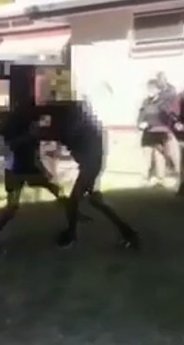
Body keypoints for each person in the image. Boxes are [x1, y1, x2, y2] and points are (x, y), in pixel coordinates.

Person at [0, 106, 90, 258]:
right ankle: (73, 220)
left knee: (12, 207)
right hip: (24, 171)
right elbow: (32, 156)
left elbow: (21, 150)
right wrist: (45, 172)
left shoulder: (15, 133)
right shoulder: (29, 134)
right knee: (58, 192)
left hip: (12, 172)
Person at [39, 100, 140, 249]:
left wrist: (38, 132)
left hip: (90, 166)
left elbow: (62, 135)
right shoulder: (84, 125)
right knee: (95, 201)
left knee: (75, 201)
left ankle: (71, 236)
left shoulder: (79, 126)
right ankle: (128, 232)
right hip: (91, 165)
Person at [137, 75, 179, 186]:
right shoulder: (145, 102)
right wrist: (140, 124)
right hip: (147, 134)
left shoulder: (163, 103)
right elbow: (141, 116)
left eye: (152, 89)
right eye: (148, 89)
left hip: (160, 134)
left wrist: (150, 124)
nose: (150, 91)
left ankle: (160, 179)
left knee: (159, 157)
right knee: (146, 157)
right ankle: (144, 179)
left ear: (158, 90)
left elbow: (166, 118)